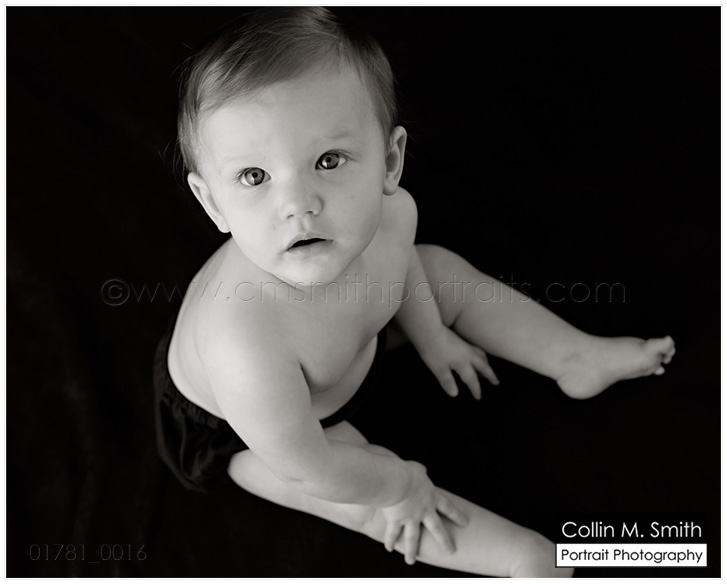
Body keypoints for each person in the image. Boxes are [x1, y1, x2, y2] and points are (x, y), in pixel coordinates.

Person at [153, 7, 675, 577]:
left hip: (352, 351)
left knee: (438, 269)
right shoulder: (244, 347)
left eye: (328, 160)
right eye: (254, 177)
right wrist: (400, 485)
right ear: (212, 203)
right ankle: (525, 557)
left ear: (389, 161)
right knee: (360, 491)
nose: (298, 205)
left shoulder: (394, 215)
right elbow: (312, 465)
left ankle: (573, 357)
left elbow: (403, 274)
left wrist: (433, 339)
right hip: (263, 431)